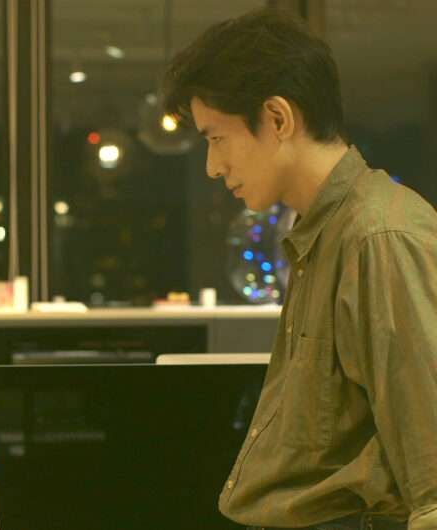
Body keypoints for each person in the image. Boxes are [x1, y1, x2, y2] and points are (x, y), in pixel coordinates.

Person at [163, 7, 437, 530]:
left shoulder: (378, 236)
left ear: (278, 119)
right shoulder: (325, 232)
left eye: (216, 138)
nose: (213, 166)